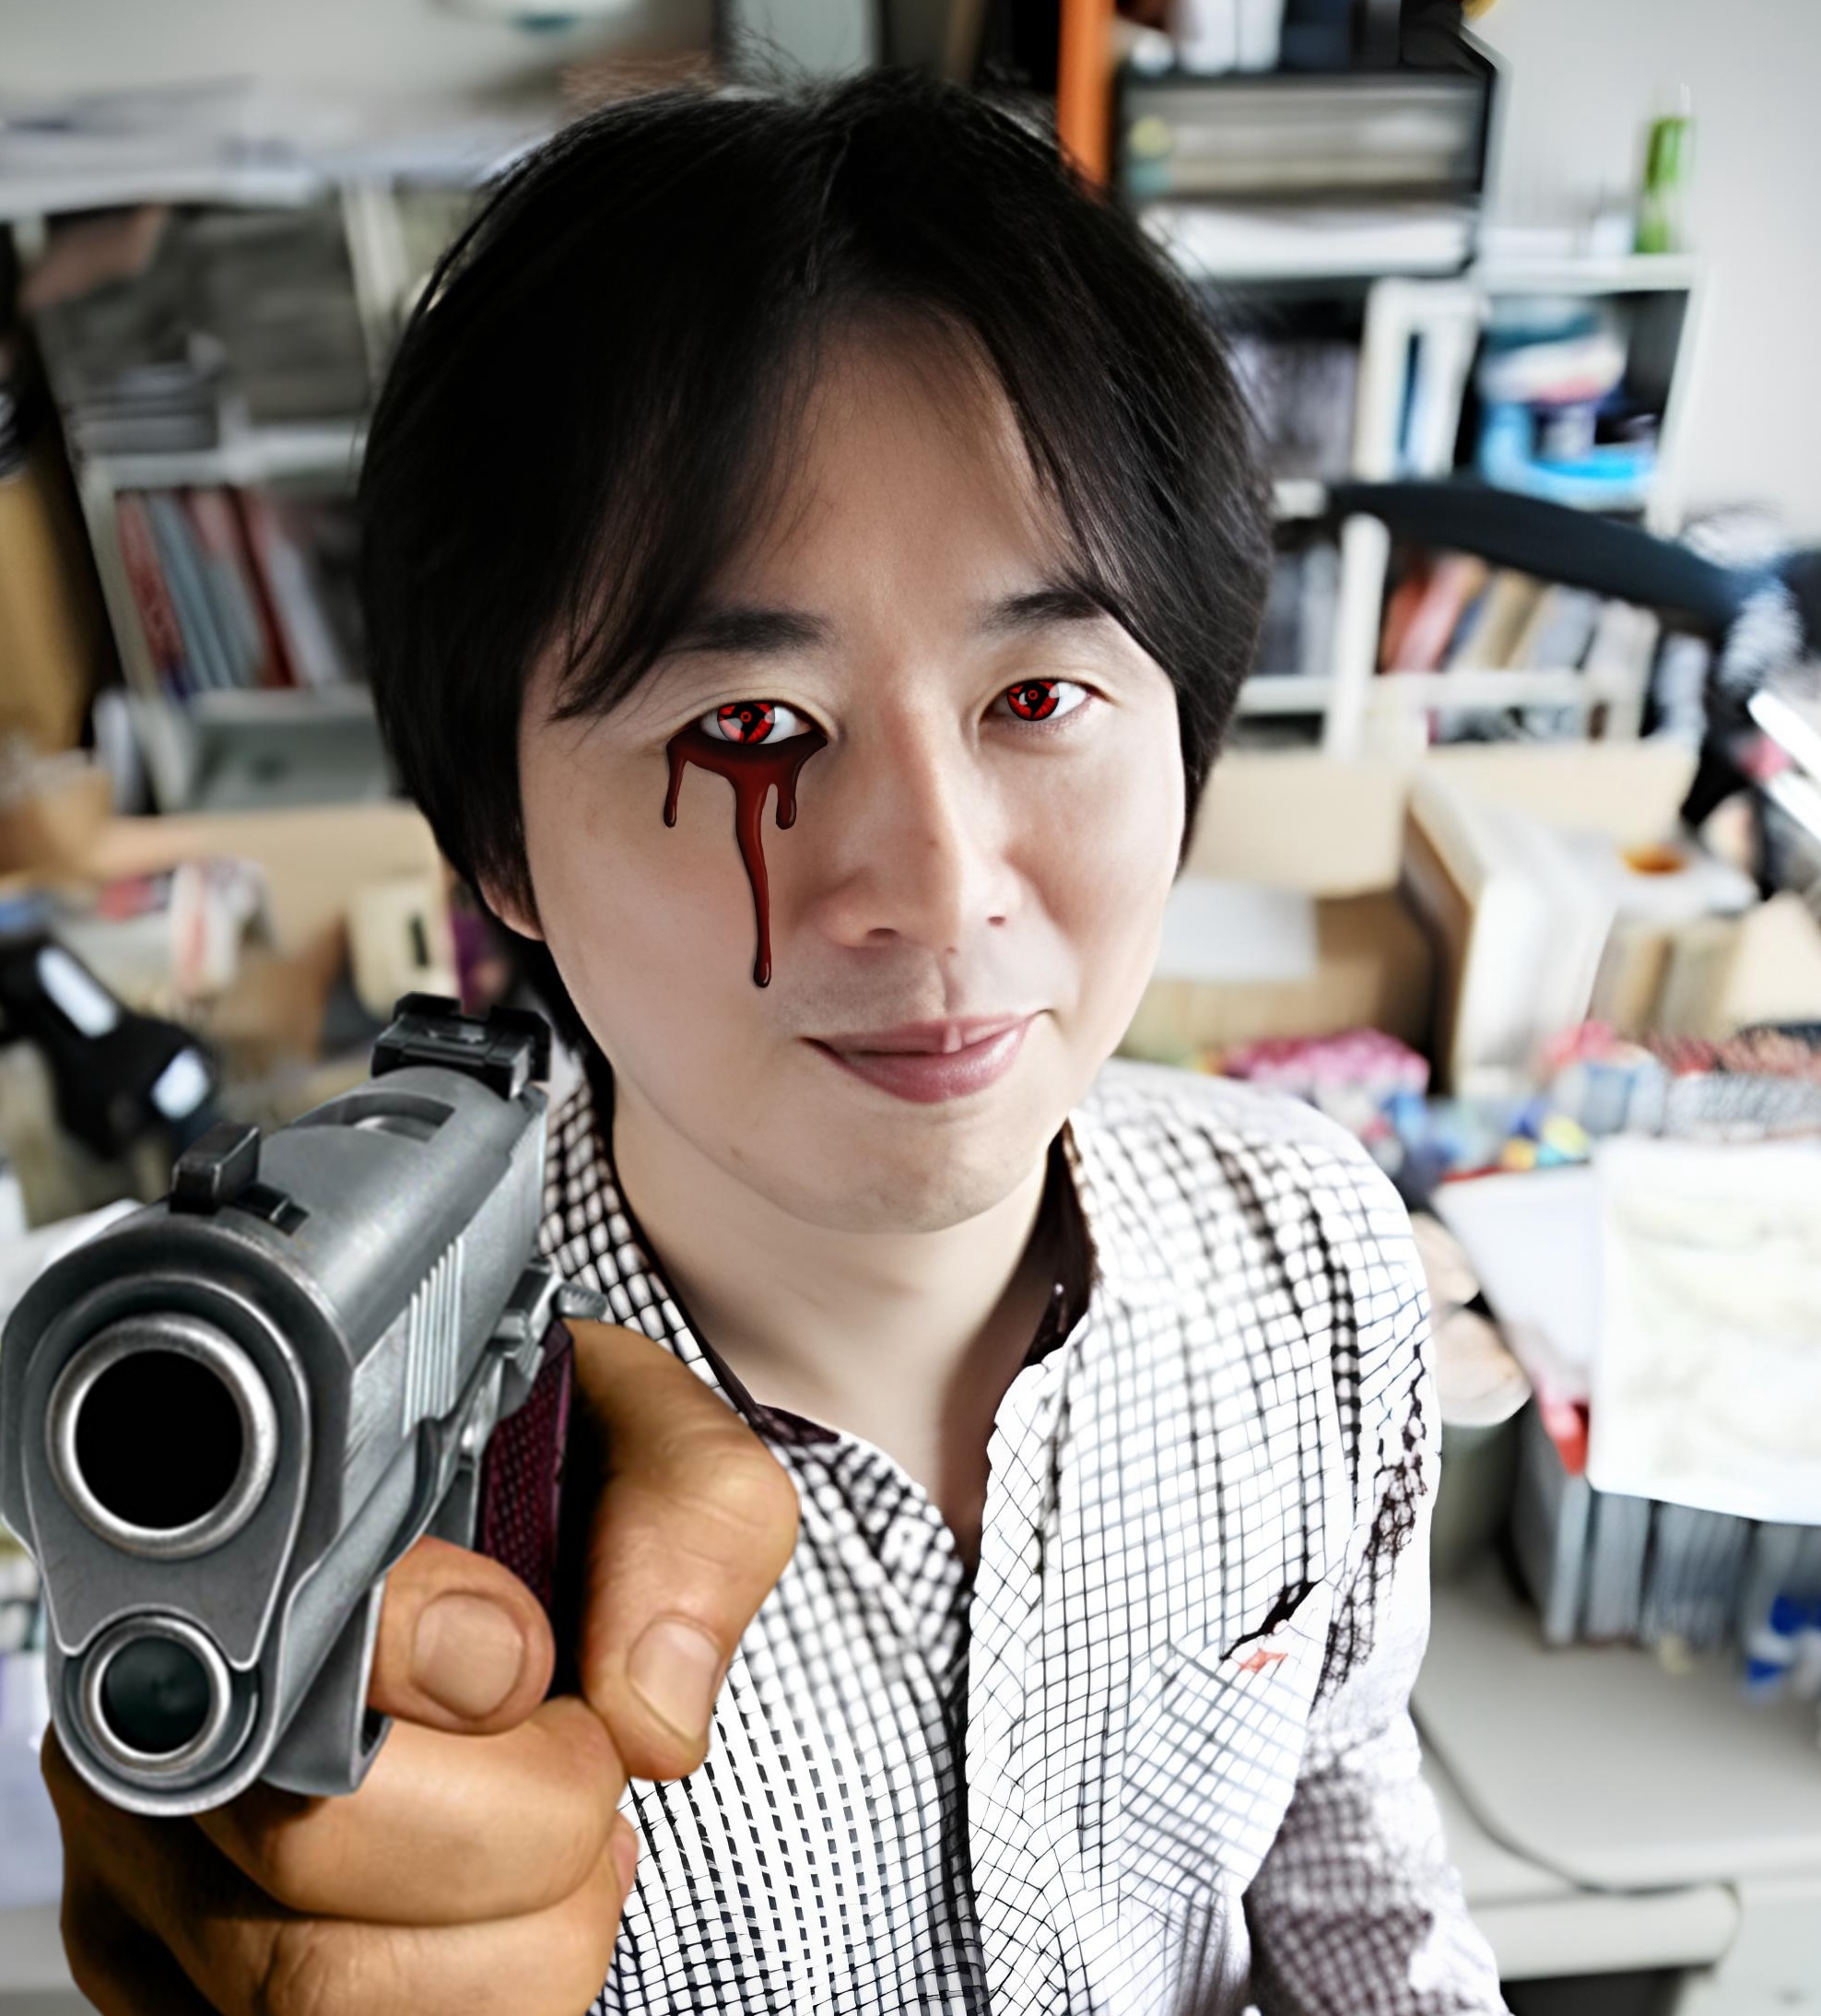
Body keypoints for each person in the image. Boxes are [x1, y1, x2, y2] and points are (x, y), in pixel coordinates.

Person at [50, 68, 1507, 2016]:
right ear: (501, 846)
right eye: (747, 727)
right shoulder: (384, 1505)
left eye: (1040, 695)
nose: (935, 887)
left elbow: (1354, 1873)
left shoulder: (1317, 1257)